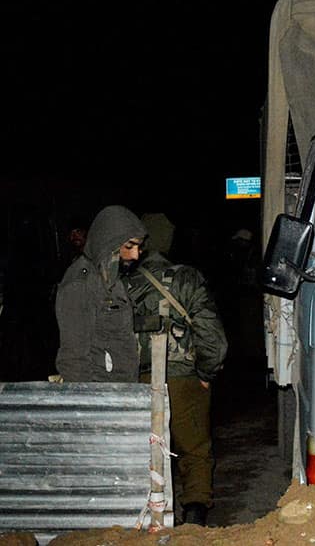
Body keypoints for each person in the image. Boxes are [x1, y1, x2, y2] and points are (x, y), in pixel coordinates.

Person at [125, 214, 227, 527]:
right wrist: (206, 373)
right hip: (184, 379)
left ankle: (144, 518)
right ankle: (194, 519)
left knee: (140, 453)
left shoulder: (121, 281)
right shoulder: (187, 278)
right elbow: (213, 337)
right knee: (194, 451)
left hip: (136, 381)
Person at [55, 205, 147, 382]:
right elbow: (73, 359)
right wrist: (88, 405)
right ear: (108, 243)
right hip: (102, 395)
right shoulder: (80, 283)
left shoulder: (109, 278)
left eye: (138, 247)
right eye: (130, 246)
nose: (135, 255)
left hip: (120, 391)